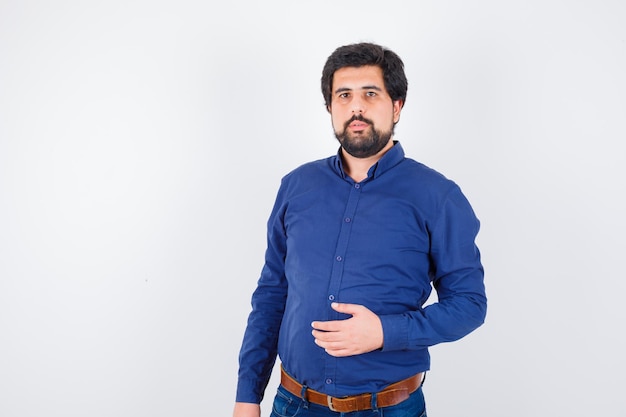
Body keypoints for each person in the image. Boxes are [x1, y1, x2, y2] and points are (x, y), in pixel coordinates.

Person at [233, 42, 487, 417]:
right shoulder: (296, 186)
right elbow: (272, 294)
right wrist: (247, 394)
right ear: (330, 107)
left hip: (388, 408)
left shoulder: (438, 197)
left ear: (396, 106)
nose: (356, 107)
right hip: (292, 404)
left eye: (371, 94)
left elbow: (469, 304)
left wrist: (385, 332)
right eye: (344, 95)